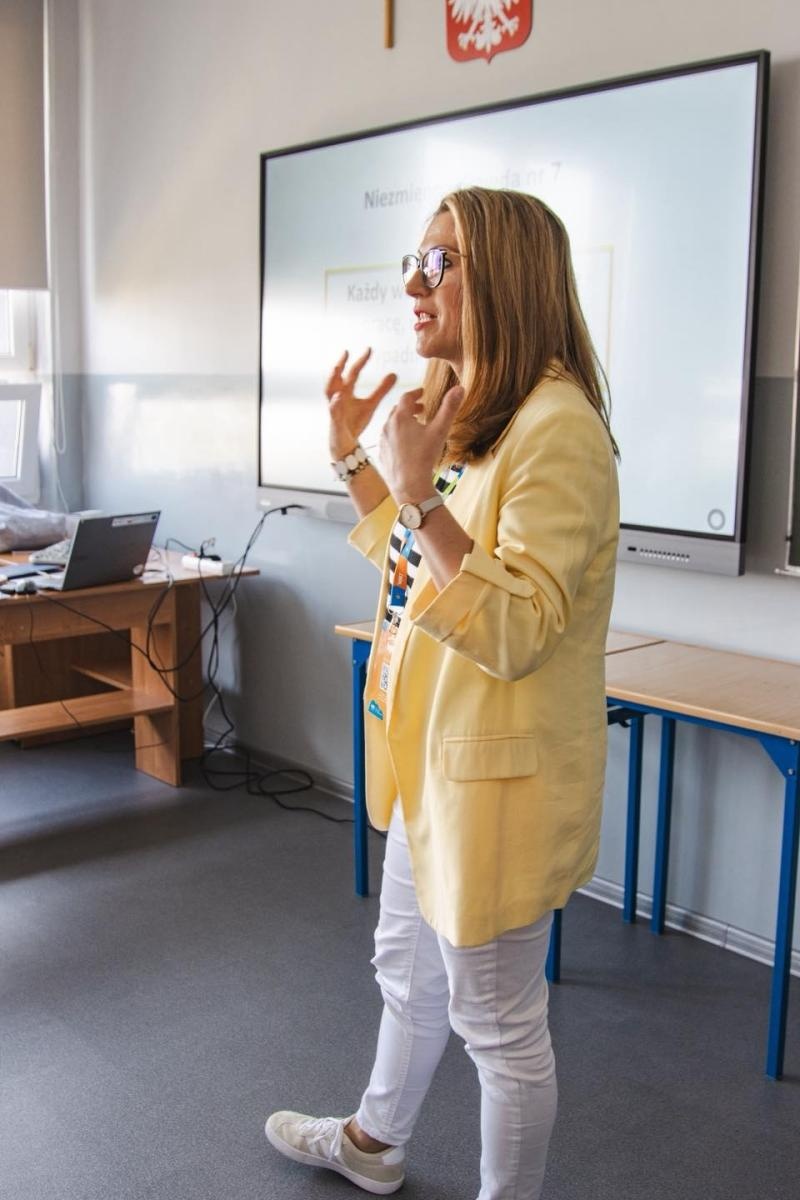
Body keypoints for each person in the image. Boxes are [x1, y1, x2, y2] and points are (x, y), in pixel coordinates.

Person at [266, 187, 620, 1199]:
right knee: (405, 967)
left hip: (496, 779)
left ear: (504, 279)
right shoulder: (473, 409)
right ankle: (375, 1145)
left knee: (498, 1025)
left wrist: (419, 493)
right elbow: (417, 575)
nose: (413, 285)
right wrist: (358, 463)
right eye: (413, 262)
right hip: (431, 763)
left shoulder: (556, 430)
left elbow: (508, 626)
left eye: (441, 265)